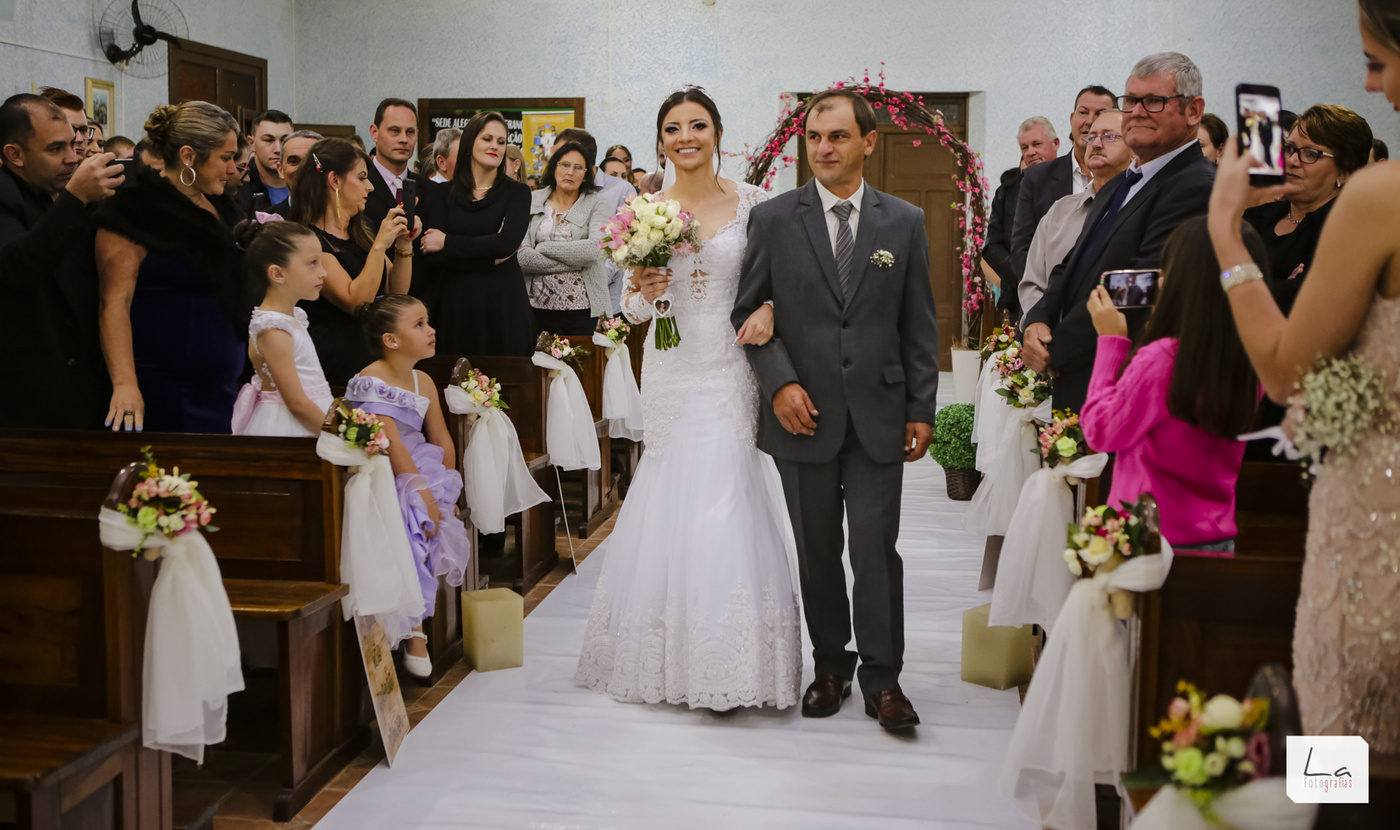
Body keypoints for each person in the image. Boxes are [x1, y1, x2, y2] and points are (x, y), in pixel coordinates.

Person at [1207, 0, 1400, 753]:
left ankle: (1326, 801)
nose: (1374, 85)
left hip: (1374, 527)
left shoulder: (1379, 199)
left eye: (1377, 62)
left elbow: (1288, 372)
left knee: (1337, 729)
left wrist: (1225, 229)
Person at [576, 87, 801, 713]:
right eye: (673, 128)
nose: (685, 137)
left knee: (726, 488)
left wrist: (770, 307)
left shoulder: (755, 204)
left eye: (697, 125)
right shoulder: (644, 209)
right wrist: (644, 290)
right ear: (660, 141)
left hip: (730, 365)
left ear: (717, 133)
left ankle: (727, 659)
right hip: (671, 366)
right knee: (672, 487)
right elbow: (631, 306)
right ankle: (672, 654)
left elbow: (785, 282)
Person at [732, 87, 941, 731]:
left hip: (880, 413)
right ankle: (830, 666)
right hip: (801, 414)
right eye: (815, 137)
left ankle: (884, 679)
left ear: (868, 142)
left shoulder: (903, 221)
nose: (823, 149)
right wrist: (780, 384)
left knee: (876, 550)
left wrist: (921, 407)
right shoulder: (773, 218)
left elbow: (918, 324)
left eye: (839, 136)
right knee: (816, 548)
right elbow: (747, 311)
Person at [1023, 52, 1215, 414]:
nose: (1137, 112)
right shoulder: (1123, 182)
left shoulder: (1195, 185)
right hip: (1082, 375)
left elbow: (1141, 284)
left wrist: (1056, 349)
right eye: (1131, 101)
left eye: (1154, 101)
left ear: (1193, 110)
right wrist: (1037, 320)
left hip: (1126, 382)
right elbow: (1070, 265)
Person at [1081, 217, 1263, 553]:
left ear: (1184, 280)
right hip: (1215, 540)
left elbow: (1100, 431)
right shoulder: (1253, 360)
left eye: (1167, 270)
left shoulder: (1163, 359)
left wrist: (1110, 341)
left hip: (1149, 542)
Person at [95, 101, 246, 433]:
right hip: (166, 387)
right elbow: (114, 302)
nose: (233, 169)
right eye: (225, 157)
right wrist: (125, 384)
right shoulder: (134, 209)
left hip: (221, 387)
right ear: (189, 156)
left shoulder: (220, 203)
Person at [346, 294, 471, 678]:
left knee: (436, 517)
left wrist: (445, 490)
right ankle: (413, 627)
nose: (431, 330)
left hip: (422, 465)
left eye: (427, 321)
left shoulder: (424, 380)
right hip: (382, 468)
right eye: (419, 324)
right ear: (391, 340)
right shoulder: (371, 380)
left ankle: (417, 618)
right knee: (411, 516)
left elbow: (442, 438)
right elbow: (391, 443)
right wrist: (422, 494)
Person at [1, 93, 123, 428]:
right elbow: (18, 268)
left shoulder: (55, 193)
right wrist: (76, 196)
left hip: (82, 385)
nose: (72, 158)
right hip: (26, 403)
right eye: (55, 149)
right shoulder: (7, 193)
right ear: (15, 154)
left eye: (73, 143)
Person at [289, 137, 415, 386]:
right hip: (335, 360)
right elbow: (357, 303)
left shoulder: (361, 231)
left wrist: (403, 245)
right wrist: (380, 245)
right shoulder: (309, 240)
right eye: (362, 177)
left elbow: (397, 292)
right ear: (334, 180)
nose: (370, 187)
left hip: (372, 354)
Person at [418, 111, 534, 356]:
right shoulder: (441, 194)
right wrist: (490, 257)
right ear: (470, 142)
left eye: (501, 142)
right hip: (454, 305)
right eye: (487, 139)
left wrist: (447, 242)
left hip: (503, 304)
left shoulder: (518, 193)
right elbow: (433, 254)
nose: (495, 146)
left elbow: (506, 244)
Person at [1244, 104, 1372, 316]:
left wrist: (1239, 284)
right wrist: (1279, 287)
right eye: (1289, 148)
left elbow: (1301, 304)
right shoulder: (1257, 215)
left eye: (1311, 154)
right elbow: (1208, 278)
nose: (1292, 160)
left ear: (1345, 171)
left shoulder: (1345, 232)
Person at [1019, 110, 1134, 314]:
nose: (1096, 144)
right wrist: (1037, 322)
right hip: (1051, 330)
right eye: (1091, 137)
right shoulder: (1059, 211)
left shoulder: (1142, 209)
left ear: (1135, 150)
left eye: (1109, 136)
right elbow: (1032, 284)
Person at [230, 219, 334, 436]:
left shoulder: (291, 317)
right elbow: (297, 403)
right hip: (290, 427)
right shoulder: (273, 329)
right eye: (313, 263)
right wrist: (341, 436)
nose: (323, 272)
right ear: (278, 274)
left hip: (314, 418)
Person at [1008, 85, 1118, 285]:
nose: (1089, 121)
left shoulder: (1128, 180)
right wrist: (1049, 296)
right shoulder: (1037, 178)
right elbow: (1022, 250)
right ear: (1071, 119)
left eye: (1100, 113)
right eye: (1083, 112)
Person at [519, 140, 610, 335]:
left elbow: (594, 250)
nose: (570, 172)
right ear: (554, 167)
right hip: (535, 307)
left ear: (586, 174)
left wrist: (543, 248)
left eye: (578, 167)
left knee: (582, 355)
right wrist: (578, 262)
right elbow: (523, 257)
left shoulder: (596, 203)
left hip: (583, 309)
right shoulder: (532, 199)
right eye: (565, 165)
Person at [985, 117, 1059, 318]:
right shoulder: (1007, 192)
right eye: (1024, 147)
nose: (1030, 152)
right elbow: (992, 246)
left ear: (1056, 143)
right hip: (1020, 294)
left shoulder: (1075, 183)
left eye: (1037, 144)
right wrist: (1023, 277)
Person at [364, 98, 427, 231]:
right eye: (394, 130)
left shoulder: (431, 191)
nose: (403, 139)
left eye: (410, 132)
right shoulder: (358, 187)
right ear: (374, 133)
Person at [237, 110, 293, 219]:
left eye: (284, 140)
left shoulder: (306, 186)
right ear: (251, 143)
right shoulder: (238, 187)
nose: (278, 149)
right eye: (268, 140)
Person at [267, 129, 322, 216]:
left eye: (311, 161)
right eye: (293, 161)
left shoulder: (342, 218)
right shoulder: (266, 221)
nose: (302, 168)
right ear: (280, 170)